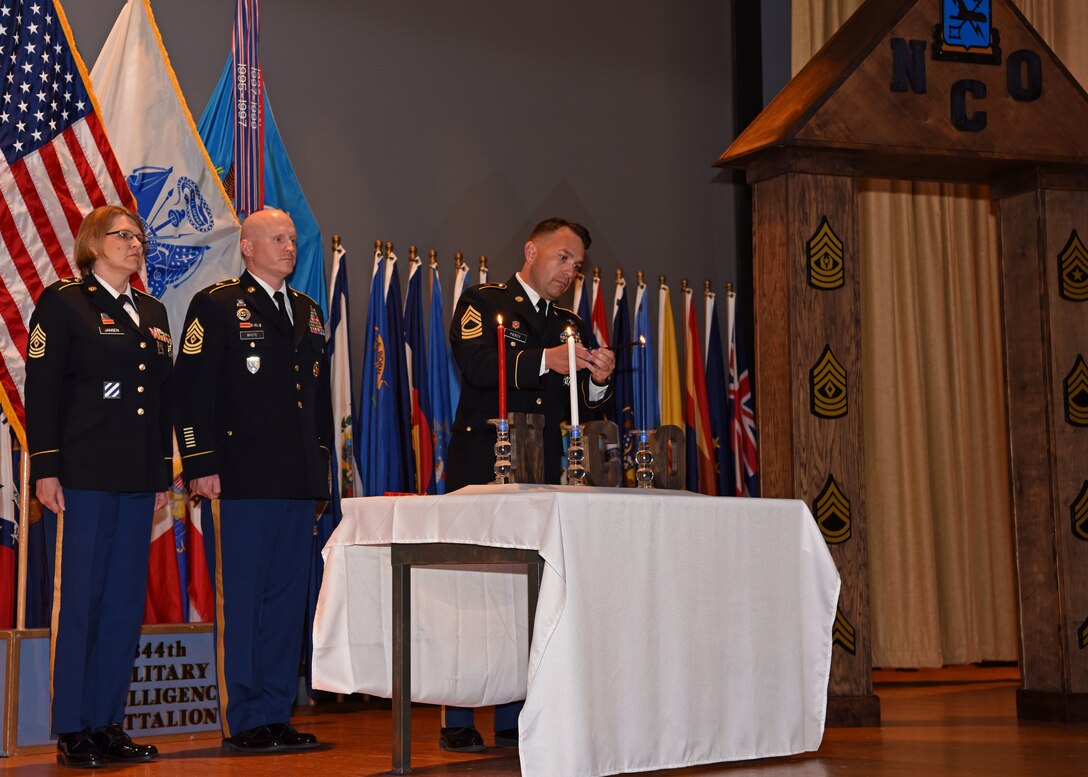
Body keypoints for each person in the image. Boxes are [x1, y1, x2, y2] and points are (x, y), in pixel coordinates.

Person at [443, 217, 616, 751]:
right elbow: (475, 366)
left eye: (578, 265)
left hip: (541, 471)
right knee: (475, 596)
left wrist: (597, 380)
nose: (570, 271)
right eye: (563, 257)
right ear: (530, 250)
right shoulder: (483, 302)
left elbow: (583, 413)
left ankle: (517, 716)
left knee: (530, 599)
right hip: (483, 468)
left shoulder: (568, 323)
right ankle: (458, 719)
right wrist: (546, 359)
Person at [174, 208, 331, 753]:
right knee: (242, 599)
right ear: (248, 246)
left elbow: (317, 403)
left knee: (287, 600)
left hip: (294, 479)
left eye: (292, 239)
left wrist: (321, 474)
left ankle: (275, 710)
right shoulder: (216, 305)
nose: (290, 247)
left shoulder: (309, 313)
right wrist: (199, 464)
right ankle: (244, 719)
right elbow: (191, 391)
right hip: (239, 477)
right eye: (278, 238)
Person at [25, 205, 172, 768]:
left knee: (122, 605)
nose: (135, 244)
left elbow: (161, 399)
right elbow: (42, 389)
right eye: (123, 236)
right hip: (83, 475)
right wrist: (46, 466)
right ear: (93, 242)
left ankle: (108, 721)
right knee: (82, 601)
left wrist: (162, 470)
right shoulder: (64, 302)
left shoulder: (154, 311)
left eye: (140, 238)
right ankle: (73, 728)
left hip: (138, 478)